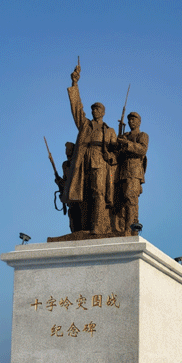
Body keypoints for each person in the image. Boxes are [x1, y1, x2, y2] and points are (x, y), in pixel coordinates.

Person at [64, 64, 116, 235]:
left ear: (103, 112)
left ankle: (97, 226)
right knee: (84, 194)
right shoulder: (85, 125)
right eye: (93, 108)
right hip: (84, 162)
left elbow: (116, 152)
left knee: (98, 193)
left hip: (100, 163)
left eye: (97, 109)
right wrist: (75, 84)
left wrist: (110, 156)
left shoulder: (109, 131)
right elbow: (77, 108)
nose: (94, 111)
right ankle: (85, 227)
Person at [113, 112, 148, 236]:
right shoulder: (125, 135)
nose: (130, 122)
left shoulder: (142, 135)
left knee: (130, 198)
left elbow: (142, 149)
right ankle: (123, 227)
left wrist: (126, 143)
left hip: (134, 172)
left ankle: (131, 227)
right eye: (129, 120)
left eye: (133, 119)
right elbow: (118, 153)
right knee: (121, 200)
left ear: (139, 122)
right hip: (121, 172)